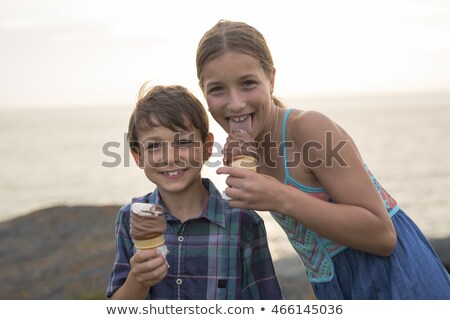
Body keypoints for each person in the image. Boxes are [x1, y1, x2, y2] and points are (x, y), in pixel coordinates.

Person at [195, 19, 450, 299]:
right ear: (203, 92)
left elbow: (382, 236)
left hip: (395, 279)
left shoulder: (309, 129)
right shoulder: (245, 151)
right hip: (334, 288)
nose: (235, 103)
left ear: (270, 79)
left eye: (247, 83)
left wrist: (280, 197)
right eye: (217, 89)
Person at [106, 84, 283, 300]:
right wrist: (138, 280)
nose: (170, 157)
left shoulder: (243, 221)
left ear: (207, 147)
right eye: (154, 146)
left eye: (183, 142)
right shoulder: (129, 218)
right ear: (137, 156)